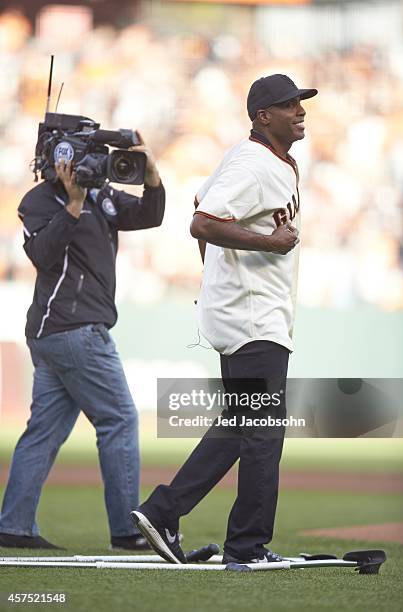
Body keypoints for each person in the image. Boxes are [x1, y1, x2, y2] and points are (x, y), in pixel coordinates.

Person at [132, 74, 317, 564]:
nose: (299, 110)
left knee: (241, 423)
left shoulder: (250, 157)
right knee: (263, 430)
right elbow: (202, 221)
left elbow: (202, 202)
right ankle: (247, 546)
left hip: (242, 311)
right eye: (288, 105)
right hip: (255, 316)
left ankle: (164, 509)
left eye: (300, 102)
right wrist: (263, 245)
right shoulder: (254, 163)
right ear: (263, 116)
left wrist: (216, 278)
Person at [0, 133, 165, 550]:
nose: (92, 165)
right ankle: (127, 531)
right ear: (57, 161)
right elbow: (43, 254)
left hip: (57, 334)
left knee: (44, 431)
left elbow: (149, 215)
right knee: (121, 420)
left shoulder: (102, 194)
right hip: (75, 330)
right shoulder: (39, 201)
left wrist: (152, 175)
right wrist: (73, 204)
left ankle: (13, 526)